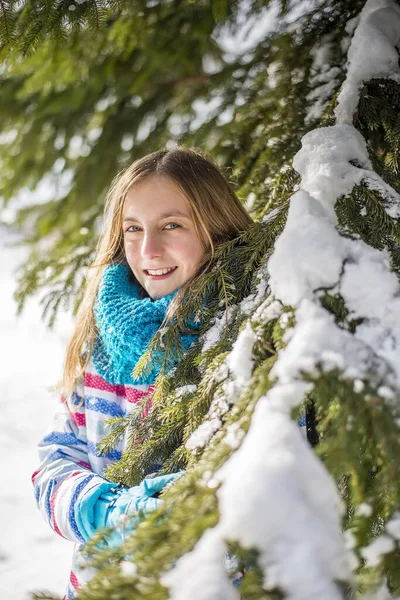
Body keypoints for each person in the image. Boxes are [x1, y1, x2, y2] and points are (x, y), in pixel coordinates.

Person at [32, 147, 253, 598]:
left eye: (172, 225)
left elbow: (283, 500)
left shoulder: (252, 339)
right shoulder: (102, 340)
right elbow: (54, 464)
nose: (149, 250)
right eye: (133, 229)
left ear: (216, 226)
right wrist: (110, 513)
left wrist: (182, 516)